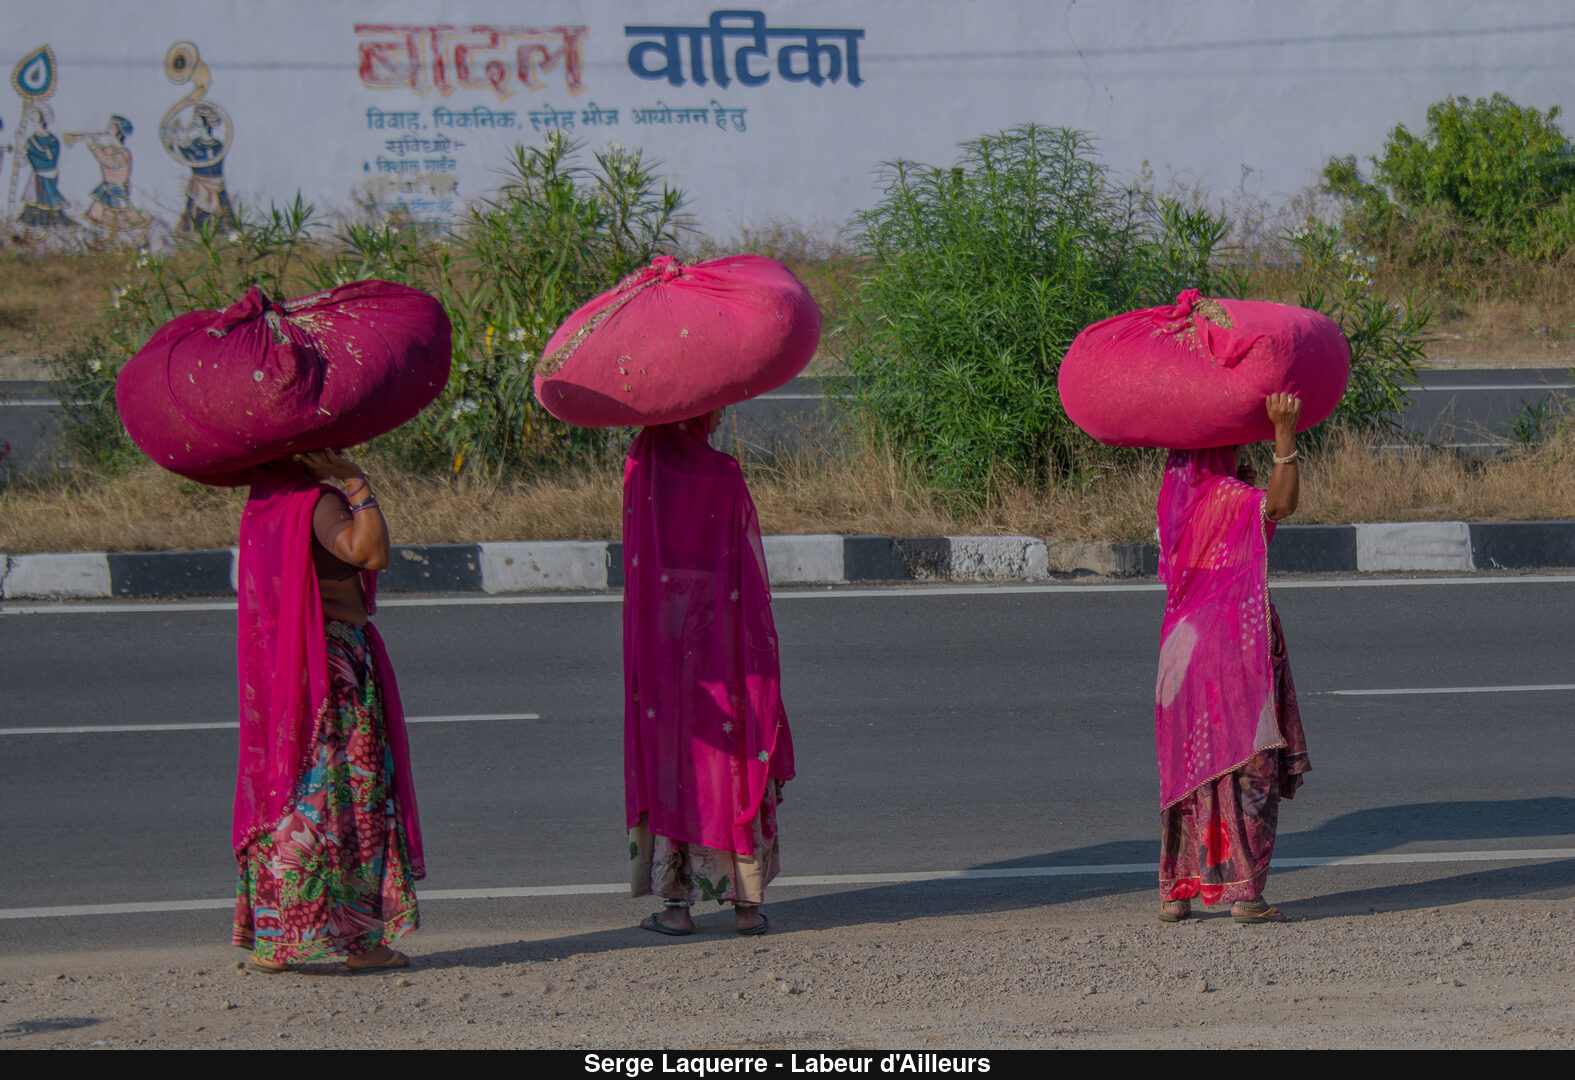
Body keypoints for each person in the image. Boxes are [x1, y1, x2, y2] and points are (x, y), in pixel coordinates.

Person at [231, 449, 424, 971]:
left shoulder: (266, 502)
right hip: (332, 665)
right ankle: (362, 944)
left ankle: (277, 941)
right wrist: (356, 480)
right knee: (348, 799)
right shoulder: (315, 502)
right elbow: (370, 552)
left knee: (293, 793)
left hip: (288, 666)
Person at [623, 409, 794, 937]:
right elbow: (743, 558)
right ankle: (746, 906)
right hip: (720, 628)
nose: (719, 413)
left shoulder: (641, 467)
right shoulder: (724, 473)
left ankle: (677, 907)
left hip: (663, 633)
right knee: (734, 753)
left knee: (678, 757)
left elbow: (639, 556)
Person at [1154, 393, 1310, 924]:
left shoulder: (1175, 500)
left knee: (1194, 768)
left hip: (1179, 655)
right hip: (1230, 645)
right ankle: (1245, 893)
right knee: (1247, 769)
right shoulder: (1226, 497)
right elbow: (1281, 505)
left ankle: (1178, 890)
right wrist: (1284, 434)